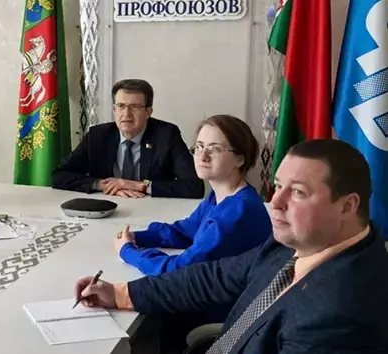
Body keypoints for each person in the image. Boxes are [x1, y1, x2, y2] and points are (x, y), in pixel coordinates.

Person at [74, 139, 388, 353]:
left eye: (298, 193)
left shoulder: (340, 314)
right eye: (278, 186)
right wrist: (120, 293)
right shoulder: (299, 244)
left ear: (347, 206)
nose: (275, 202)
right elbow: (215, 277)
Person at [115, 115, 271, 276]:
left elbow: (179, 271)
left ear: (239, 159)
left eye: (215, 149)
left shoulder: (237, 211)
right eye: (199, 146)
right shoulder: (219, 197)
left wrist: (128, 251)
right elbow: (185, 232)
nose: (202, 156)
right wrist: (136, 237)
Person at [51, 79, 203, 199]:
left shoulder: (166, 135)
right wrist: (102, 185)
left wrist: (142, 186)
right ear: (114, 110)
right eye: (121, 106)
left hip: (152, 209)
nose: (126, 114)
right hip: (107, 205)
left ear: (148, 112)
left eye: (134, 107)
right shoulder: (98, 135)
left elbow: (194, 186)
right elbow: (59, 176)